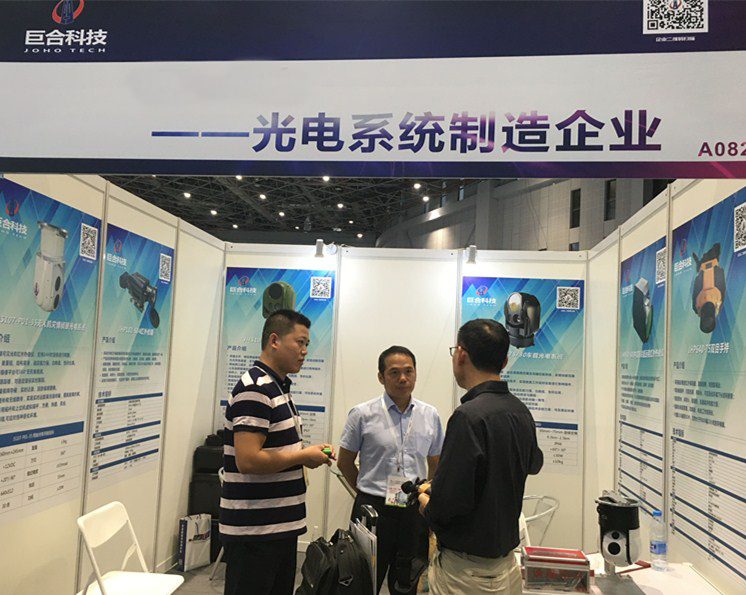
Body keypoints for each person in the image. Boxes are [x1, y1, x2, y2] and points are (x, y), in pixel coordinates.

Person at [417, 319, 543, 595]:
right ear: (505, 361)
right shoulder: (520, 411)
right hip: (507, 569)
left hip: (465, 574)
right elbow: (534, 463)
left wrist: (427, 503)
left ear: (461, 355)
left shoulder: (468, 417)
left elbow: (448, 505)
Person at [220, 309, 334, 595]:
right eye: (300, 342)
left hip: (276, 527)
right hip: (255, 532)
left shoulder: (277, 388)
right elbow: (248, 460)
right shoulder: (256, 389)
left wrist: (305, 453)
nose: (305, 351)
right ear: (274, 340)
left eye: (307, 344)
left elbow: (275, 450)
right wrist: (303, 456)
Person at [337, 346, 444, 594]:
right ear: (381, 377)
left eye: (409, 371)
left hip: (413, 507)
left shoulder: (429, 415)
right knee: (364, 580)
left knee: (407, 580)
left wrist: (426, 493)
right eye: (394, 372)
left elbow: (435, 462)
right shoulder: (362, 414)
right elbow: (345, 462)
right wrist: (364, 491)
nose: (403, 378)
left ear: (415, 374)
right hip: (372, 508)